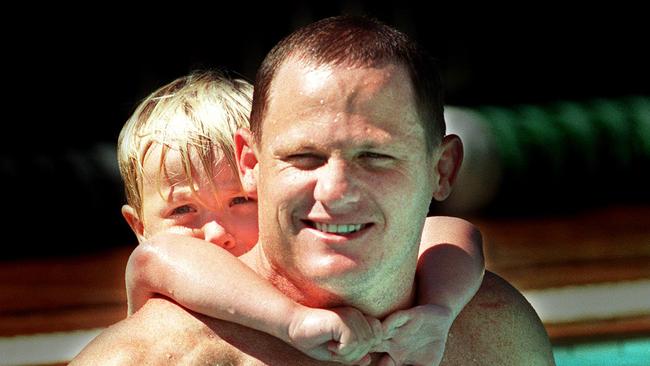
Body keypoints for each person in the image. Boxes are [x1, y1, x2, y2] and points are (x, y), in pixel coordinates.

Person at [72, 15, 555, 365]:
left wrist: (440, 311)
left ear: (443, 170)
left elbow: (453, 234)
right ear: (251, 165)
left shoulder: (498, 332)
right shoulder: (152, 357)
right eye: (304, 158)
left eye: (375, 156)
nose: (337, 190)